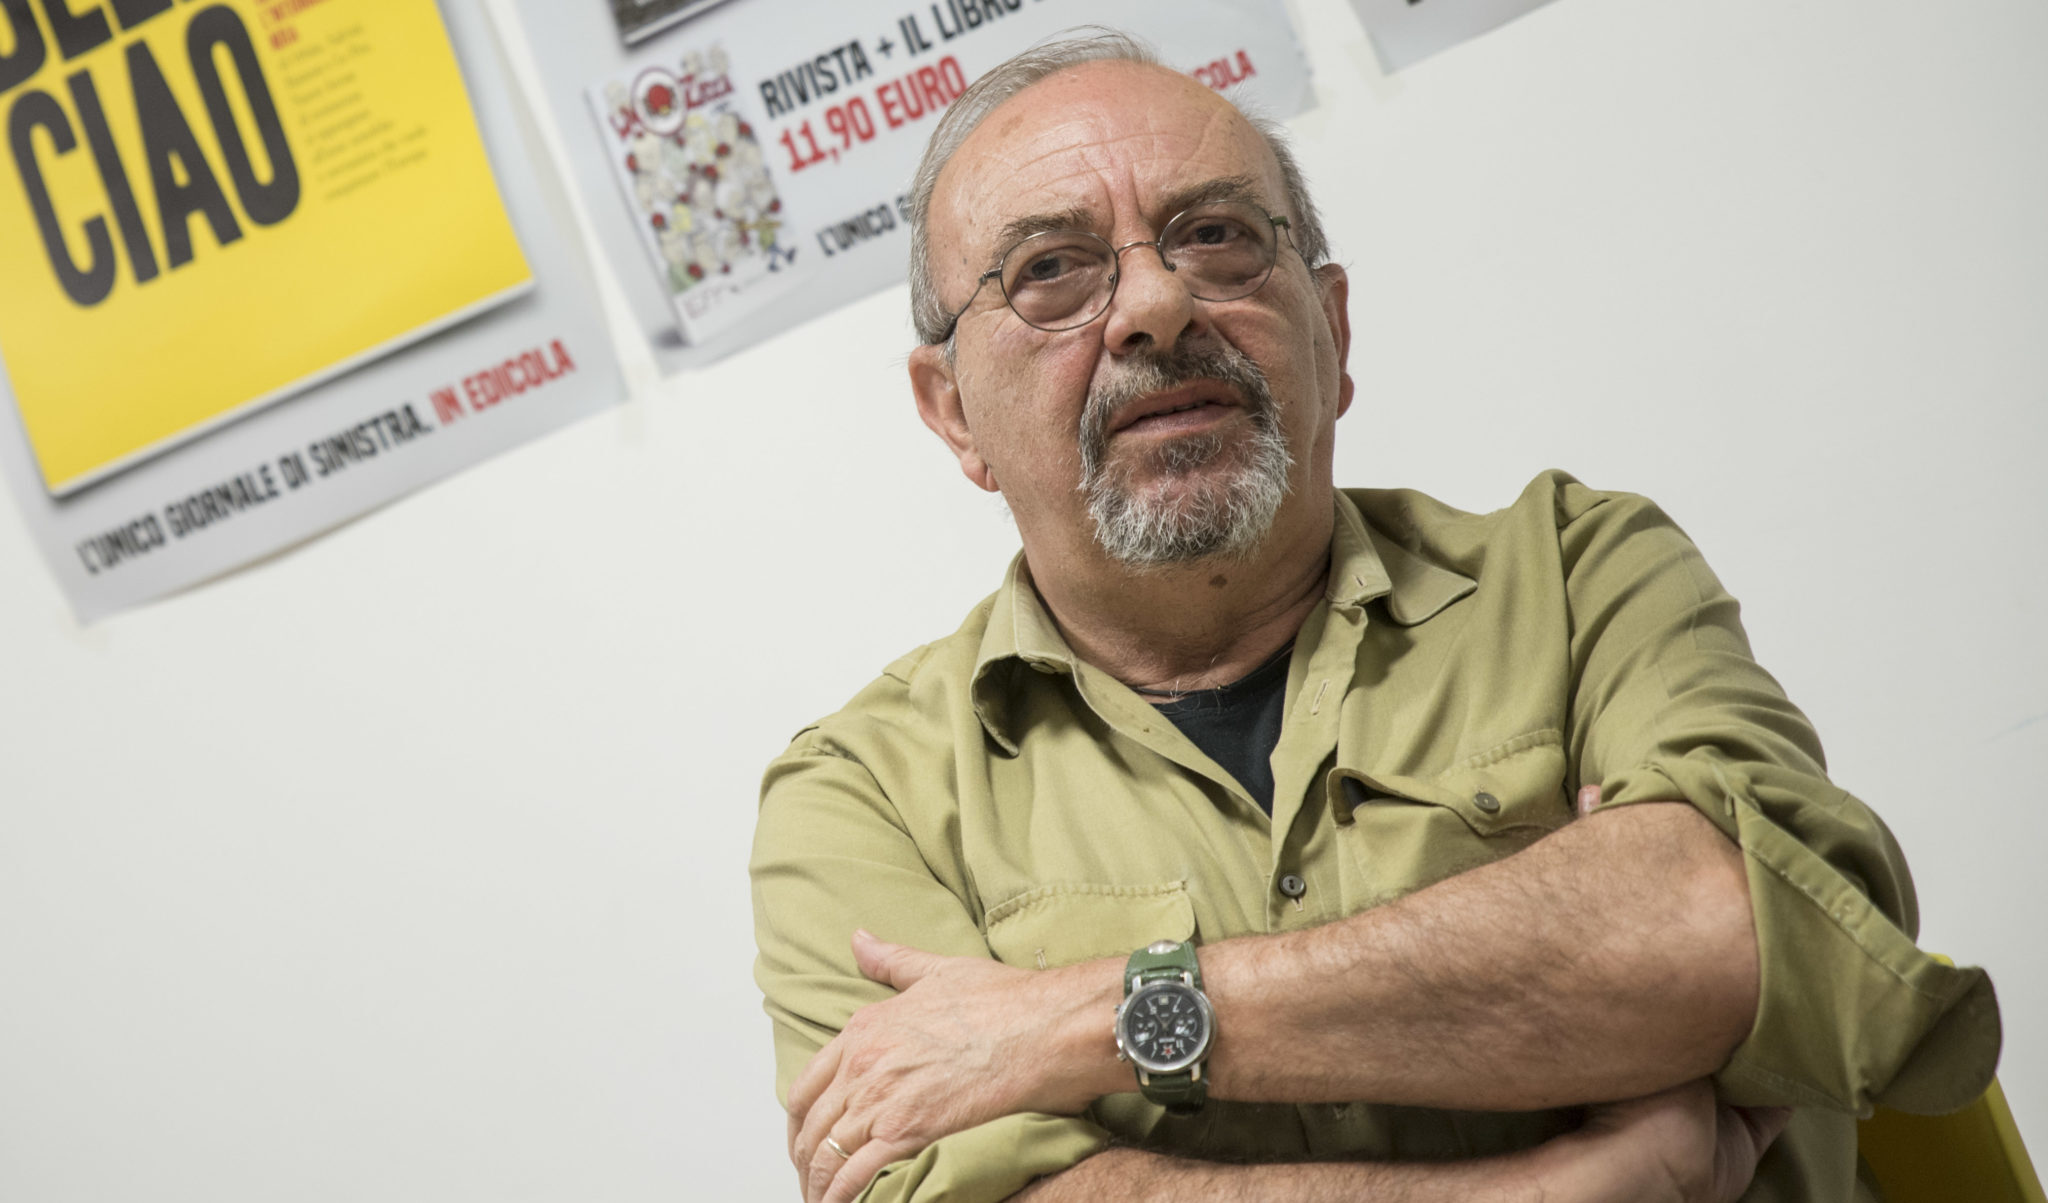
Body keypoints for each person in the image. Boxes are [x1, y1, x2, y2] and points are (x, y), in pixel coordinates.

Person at [749, 30, 2000, 1203]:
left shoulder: (1578, 574)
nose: (1153, 307)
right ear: (952, 412)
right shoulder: (863, 796)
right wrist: (1557, 1186)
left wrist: (1078, 1023)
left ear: (1332, 330)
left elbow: (1731, 940)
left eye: (1215, 236)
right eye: (1049, 271)